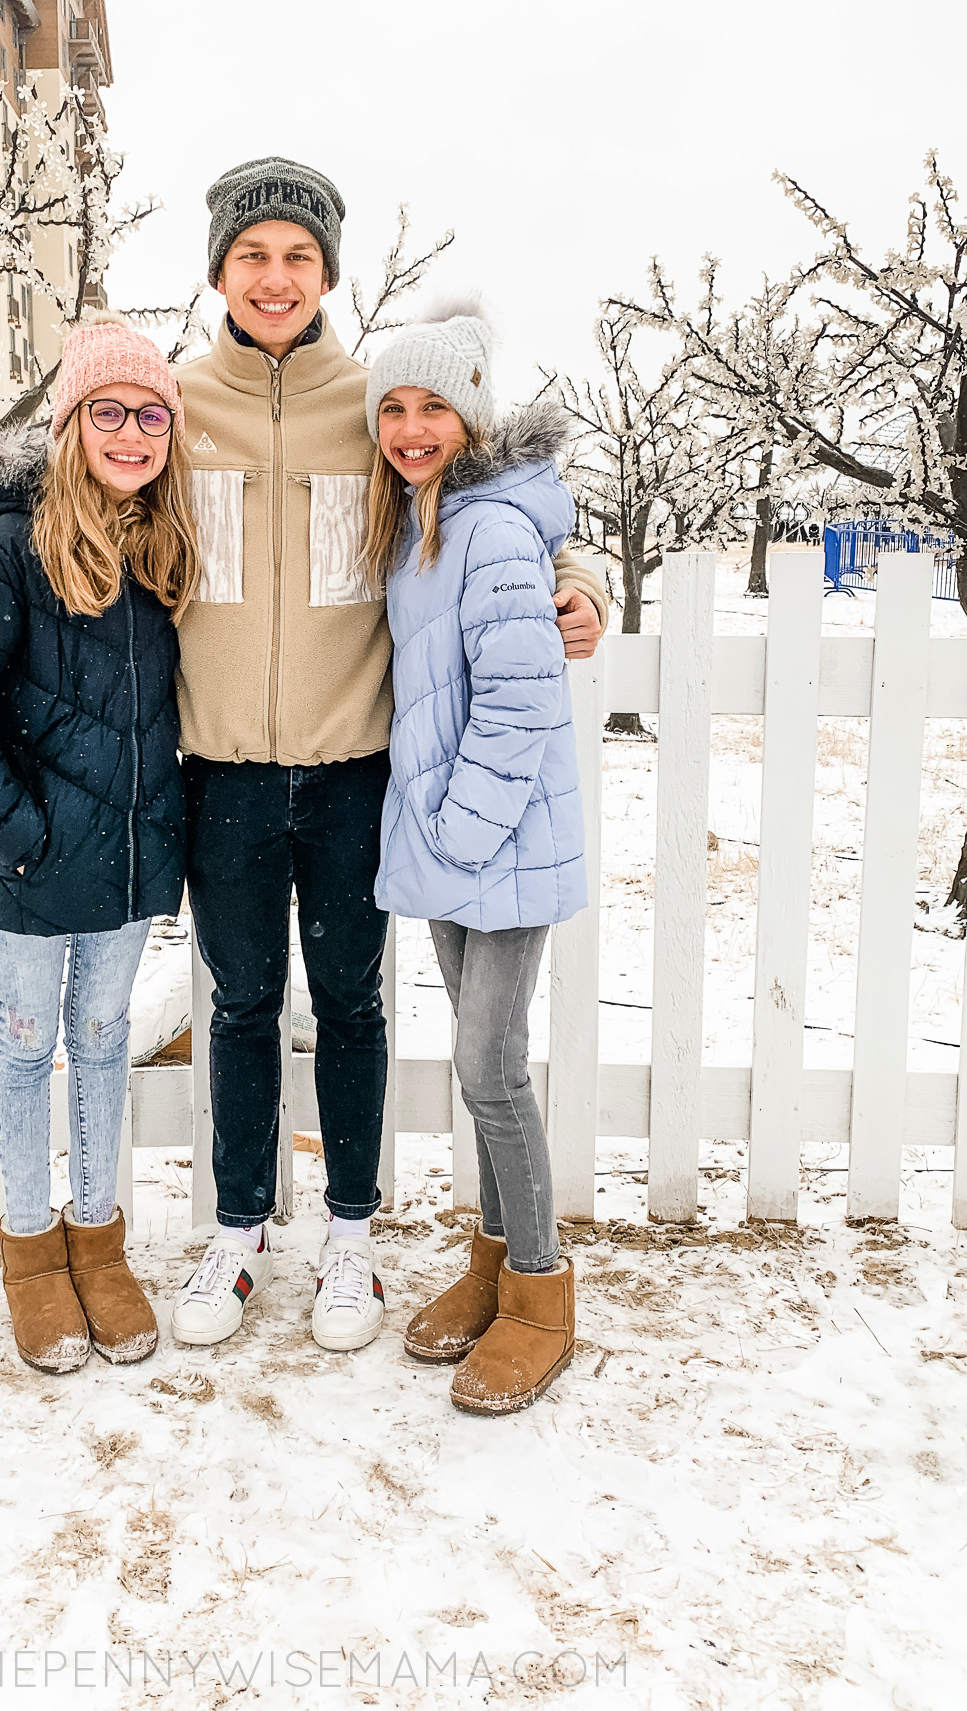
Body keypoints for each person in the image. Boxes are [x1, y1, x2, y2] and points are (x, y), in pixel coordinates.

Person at [168, 158, 606, 1354]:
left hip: (355, 763)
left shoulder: (374, 403)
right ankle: (243, 1230)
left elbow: (493, 499)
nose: (275, 277)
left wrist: (581, 577)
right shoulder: (173, 405)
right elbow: (83, 498)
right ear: (220, 269)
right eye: (253, 255)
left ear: (327, 275)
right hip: (223, 769)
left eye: (298, 257)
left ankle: (352, 1240)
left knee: (354, 1005)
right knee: (244, 1004)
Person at [0, 318, 198, 1375]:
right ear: (71, 424)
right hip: (31, 869)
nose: (131, 432)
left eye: (150, 413)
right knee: (28, 1047)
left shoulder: (165, 544)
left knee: (106, 1040)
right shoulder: (6, 546)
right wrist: (21, 834)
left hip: (127, 867)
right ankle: (32, 1254)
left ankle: (100, 1242)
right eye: (107, 412)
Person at [364, 305, 584, 1414]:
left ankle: (541, 1296)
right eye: (393, 407)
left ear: (473, 413)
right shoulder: (424, 522)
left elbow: (518, 703)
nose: (411, 427)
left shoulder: (491, 530)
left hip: (493, 841)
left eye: (433, 405)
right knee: (479, 1060)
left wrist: (453, 837)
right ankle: (493, 1264)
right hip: (459, 846)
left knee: (490, 1066)